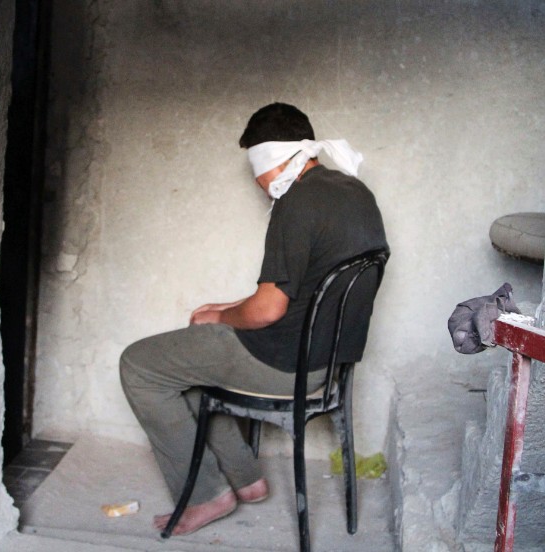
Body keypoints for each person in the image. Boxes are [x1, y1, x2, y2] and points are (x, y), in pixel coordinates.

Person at [119, 102, 388, 536]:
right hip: (327, 362)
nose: (258, 182)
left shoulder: (296, 203)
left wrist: (221, 315)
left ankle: (208, 495)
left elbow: (268, 310)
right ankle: (248, 479)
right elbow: (300, 294)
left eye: (255, 169)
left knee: (140, 365)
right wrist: (221, 312)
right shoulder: (354, 191)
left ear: (271, 157)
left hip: (285, 365)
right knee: (191, 356)